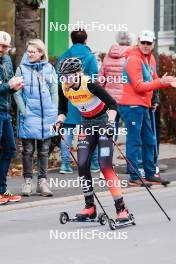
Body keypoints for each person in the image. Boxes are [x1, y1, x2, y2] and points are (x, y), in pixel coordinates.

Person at [56, 57, 132, 221]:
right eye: (63, 76)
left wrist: (111, 123)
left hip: (103, 124)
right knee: (82, 164)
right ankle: (90, 207)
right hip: (86, 126)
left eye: (68, 76)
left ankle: (121, 209)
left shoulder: (89, 84)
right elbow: (62, 109)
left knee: (105, 166)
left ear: (78, 73)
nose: (65, 80)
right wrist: (59, 121)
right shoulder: (64, 87)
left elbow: (112, 104)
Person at [118, 30, 175, 187]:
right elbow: (138, 86)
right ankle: (134, 176)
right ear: (138, 42)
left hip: (144, 105)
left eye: (148, 43)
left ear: (153, 44)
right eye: (143, 42)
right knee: (135, 141)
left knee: (149, 140)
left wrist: (167, 82)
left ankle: (150, 173)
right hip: (131, 105)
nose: (145, 45)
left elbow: (155, 79)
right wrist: (161, 83)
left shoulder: (150, 59)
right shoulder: (133, 59)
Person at [14, 39, 58, 196]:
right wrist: (24, 112)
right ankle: (27, 182)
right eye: (29, 51)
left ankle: (42, 182)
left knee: (44, 150)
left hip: (47, 116)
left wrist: (53, 111)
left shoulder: (49, 69)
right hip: (29, 116)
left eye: (33, 51)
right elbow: (17, 93)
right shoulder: (21, 69)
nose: (30, 54)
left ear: (41, 53)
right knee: (28, 150)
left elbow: (54, 91)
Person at [55, 28, 100, 174]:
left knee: (67, 131)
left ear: (72, 40)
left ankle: (65, 164)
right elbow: (94, 80)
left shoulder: (63, 56)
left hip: (69, 98)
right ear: (86, 40)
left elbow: (58, 79)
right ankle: (93, 164)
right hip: (86, 101)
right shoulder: (90, 57)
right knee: (90, 131)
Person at [98, 31, 132, 179]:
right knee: (132, 134)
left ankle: (104, 169)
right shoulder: (131, 55)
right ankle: (133, 167)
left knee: (109, 134)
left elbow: (100, 79)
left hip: (110, 101)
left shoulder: (108, 55)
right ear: (130, 41)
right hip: (127, 100)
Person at [0, 31, 24, 204]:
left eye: (6, 47)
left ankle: (2, 190)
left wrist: (14, 87)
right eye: (1, 46)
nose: (3, 50)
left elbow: (7, 85)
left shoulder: (7, 59)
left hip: (5, 111)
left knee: (10, 149)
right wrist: (8, 86)